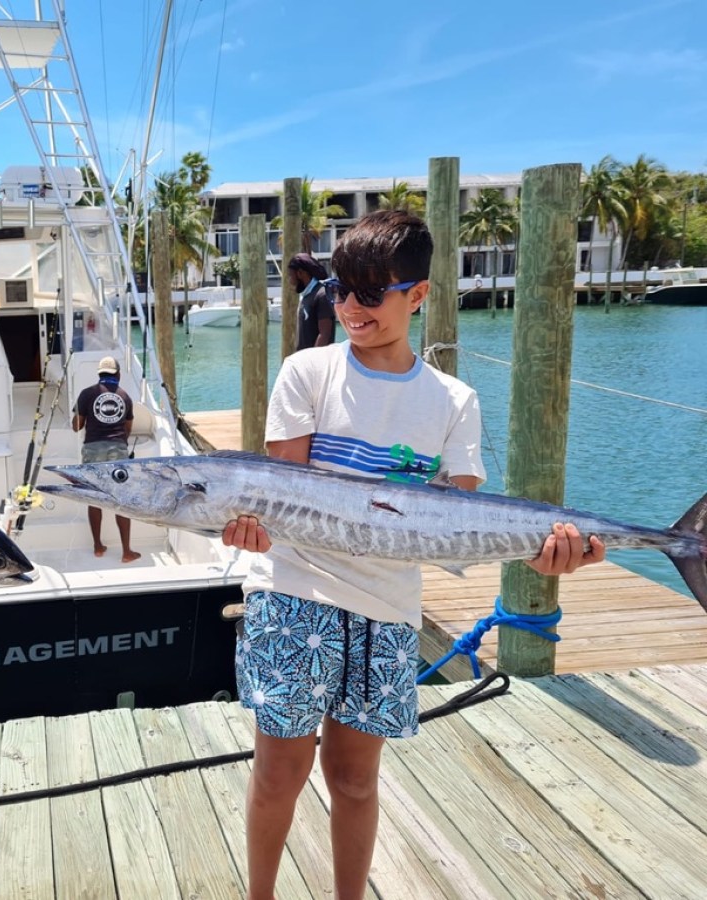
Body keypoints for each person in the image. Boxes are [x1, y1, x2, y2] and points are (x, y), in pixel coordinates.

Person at [222, 210, 605, 900]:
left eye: (371, 295)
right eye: (341, 290)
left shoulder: (454, 400)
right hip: (292, 589)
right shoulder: (306, 372)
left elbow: (455, 521)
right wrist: (250, 529)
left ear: (418, 296)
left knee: (355, 779)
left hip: (389, 607)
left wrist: (546, 557)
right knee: (279, 771)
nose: (349, 308)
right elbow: (276, 495)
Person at [73, 355, 142, 563]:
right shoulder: (125, 396)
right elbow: (127, 429)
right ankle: (127, 551)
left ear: (99, 375)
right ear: (118, 374)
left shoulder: (86, 394)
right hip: (118, 450)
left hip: (92, 449)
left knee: (94, 498)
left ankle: (97, 546)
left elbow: (77, 426)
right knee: (121, 499)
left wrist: (80, 411)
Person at [289, 251, 334, 351]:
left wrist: (312, 362)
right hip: (303, 360)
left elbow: (324, 334)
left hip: (315, 363)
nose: (290, 281)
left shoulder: (322, 295)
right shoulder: (307, 295)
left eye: (291, 275)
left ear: (300, 273)